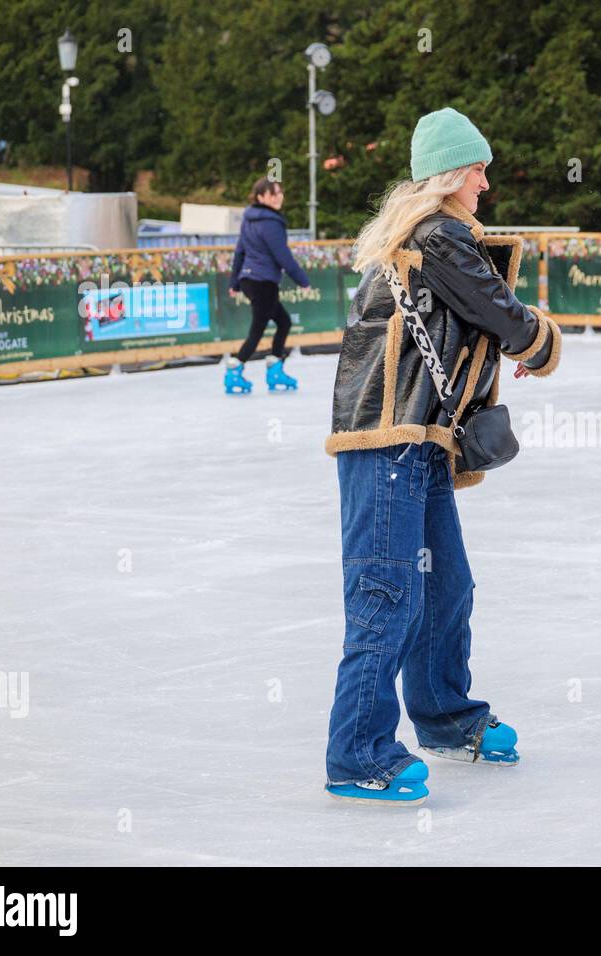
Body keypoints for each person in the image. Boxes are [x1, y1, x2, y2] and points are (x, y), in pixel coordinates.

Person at [321, 107, 562, 805]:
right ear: (453, 174)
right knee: (386, 597)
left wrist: (501, 348)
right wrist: (539, 343)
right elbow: (504, 314)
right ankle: (356, 754)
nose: (487, 181)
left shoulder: (430, 240)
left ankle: (444, 716)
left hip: (417, 445)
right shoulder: (441, 236)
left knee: (445, 588)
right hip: (386, 444)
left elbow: (471, 324)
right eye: (478, 168)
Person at [226, 178, 310, 394]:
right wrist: (302, 280)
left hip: (249, 280)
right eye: (273, 193)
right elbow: (282, 255)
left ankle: (275, 368)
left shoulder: (248, 219)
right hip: (263, 282)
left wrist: (235, 281)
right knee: (258, 329)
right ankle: (235, 369)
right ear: (261, 197)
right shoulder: (271, 222)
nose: (279, 196)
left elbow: (239, 252)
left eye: (280, 192)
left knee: (283, 321)